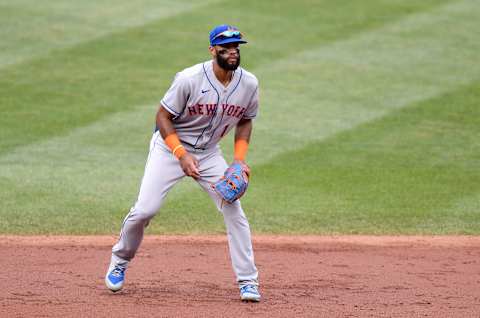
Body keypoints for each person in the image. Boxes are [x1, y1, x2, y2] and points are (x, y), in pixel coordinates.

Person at [105, 24, 261, 302]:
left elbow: (246, 118)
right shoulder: (189, 79)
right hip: (170, 149)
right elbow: (162, 116)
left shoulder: (248, 83)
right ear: (213, 50)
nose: (232, 52)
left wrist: (238, 160)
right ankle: (120, 261)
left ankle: (248, 281)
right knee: (144, 210)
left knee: (234, 211)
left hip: (210, 153)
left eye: (236, 47)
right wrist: (181, 155)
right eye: (225, 48)